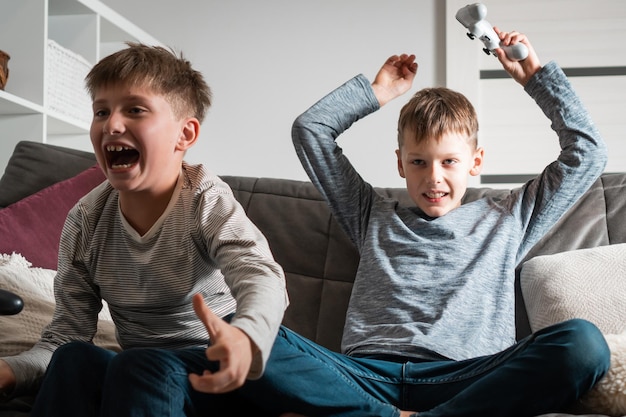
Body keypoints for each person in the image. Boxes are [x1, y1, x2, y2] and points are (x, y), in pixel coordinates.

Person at [199, 28, 610, 416]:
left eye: (449, 162)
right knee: (240, 331)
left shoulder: (509, 217)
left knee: (583, 344)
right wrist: (378, 93)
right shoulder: (370, 214)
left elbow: (587, 153)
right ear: (400, 164)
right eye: (419, 162)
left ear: (475, 162)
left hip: (466, 377)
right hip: (365, 377)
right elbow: (311, 131)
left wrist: (535, 78)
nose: (434, 177)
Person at [0, 43, 288, 416]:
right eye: (101, 111)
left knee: (139, 366)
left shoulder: (205, 200)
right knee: (74, 358)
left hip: (218, 373)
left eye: (135, 110)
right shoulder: (86, 220)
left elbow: (261, 274)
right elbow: (65, 335)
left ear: (184, 135)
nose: (112, 125)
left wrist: (246, 337)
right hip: (136, 373)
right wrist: (10, 370)